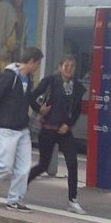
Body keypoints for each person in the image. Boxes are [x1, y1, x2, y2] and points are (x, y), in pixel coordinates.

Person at [0, 46, 44, 211]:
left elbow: (28, 99)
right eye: (37, 63)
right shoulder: (9, 77)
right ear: (31, 61)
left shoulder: (28, 79)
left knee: (23, 167)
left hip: (22, 128)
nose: (37, 67)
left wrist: (39, 109)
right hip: (6, 127)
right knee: (6, 163)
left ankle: (14, 199)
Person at [27, 55, 87, 214]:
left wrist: (69, 124)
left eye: (72, 66)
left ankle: (72, 200)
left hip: (64, 131)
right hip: (47, 128)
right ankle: (21, 185)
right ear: (60, 67)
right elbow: (31, 97)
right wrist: (39, 109)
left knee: (72, 164)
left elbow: (77, 111)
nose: (68, 69)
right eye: (66, 66)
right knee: (43, 165)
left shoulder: (77, 88)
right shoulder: (50, 81)